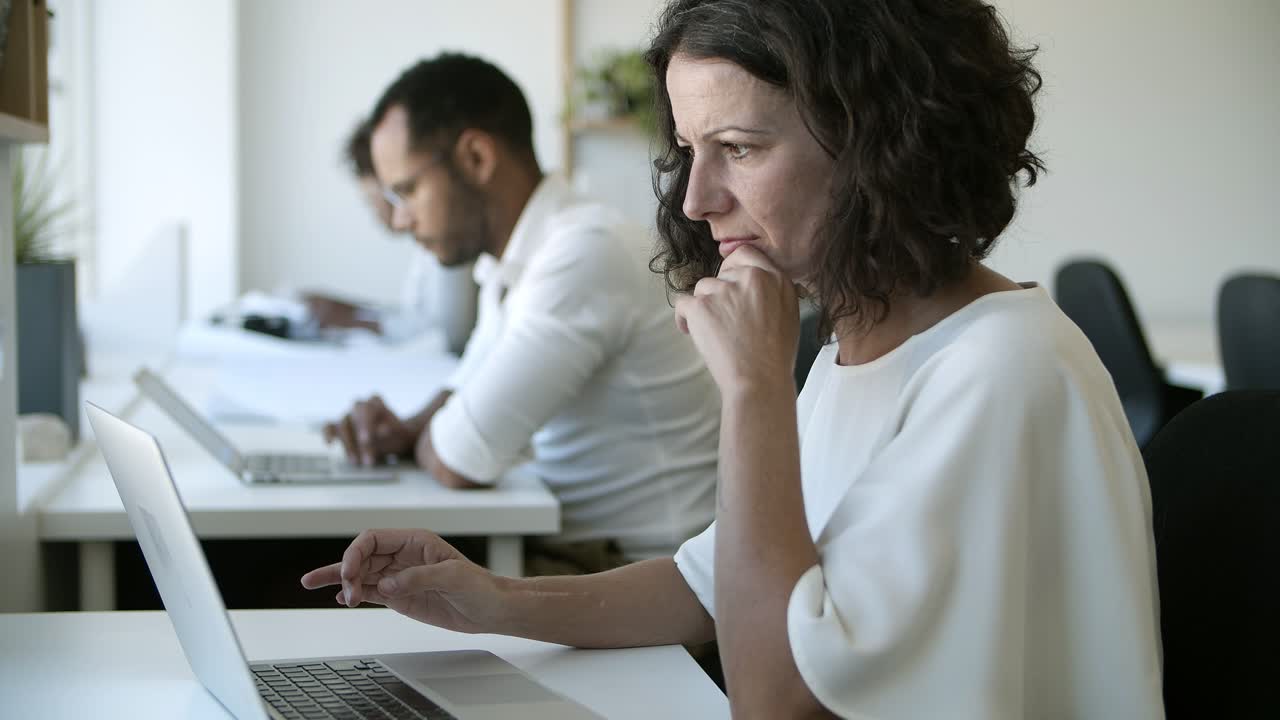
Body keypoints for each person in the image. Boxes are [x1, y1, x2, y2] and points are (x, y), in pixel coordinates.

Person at [303, 2, 1165, 717]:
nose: (696, 197)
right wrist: (489, 601)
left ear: (880, 141)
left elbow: (777, 699)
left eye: (741, 150)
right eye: (689, 152)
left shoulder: (1000, 372)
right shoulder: (860, 340)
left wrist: (755, 389)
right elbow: (713, 583)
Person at [322, 53, 721, 572]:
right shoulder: (514, 262)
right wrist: (404, 429)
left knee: (308, 588)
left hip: (636, 580)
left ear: (476, 158)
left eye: (407, 191)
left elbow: (458, 459)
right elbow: (457, 398)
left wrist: (431, 433)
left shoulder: (582, 251)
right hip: (570, 556)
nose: (399, 220)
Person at [302, 119, 480, 353]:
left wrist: (357, 319)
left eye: (404, 190)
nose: (398, 216)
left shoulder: (450, 238)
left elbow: (452, 337)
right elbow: (418, 316)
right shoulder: (426, 240)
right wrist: (354, 310)